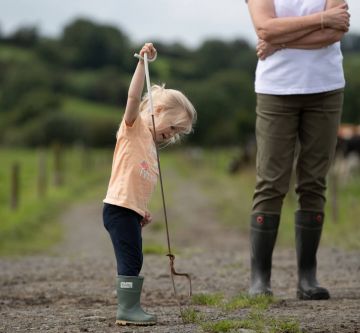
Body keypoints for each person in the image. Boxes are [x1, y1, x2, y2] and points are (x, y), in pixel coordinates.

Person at [245, 0, 350, 300]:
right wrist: (322, 19)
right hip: (275, 90)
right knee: (271, 182)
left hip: (327, 89)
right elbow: (265, 27)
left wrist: (280, 40)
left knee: (314, 181)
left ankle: (307, 277)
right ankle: (260, 279)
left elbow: (337, 30)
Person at [102, 43, 196, 325]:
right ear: (161, 109)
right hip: (118, 208)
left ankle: (130, 307)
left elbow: (137, 183)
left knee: (135, 257)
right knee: (130, 259)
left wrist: (141, 209)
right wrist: (142, 64)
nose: (172, 135)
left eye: (178, 133)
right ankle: (127, 311)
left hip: (128, 210)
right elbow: (133, 97)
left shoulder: (151, 147)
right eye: (174, 127)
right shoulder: (134, 129)